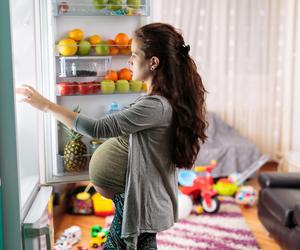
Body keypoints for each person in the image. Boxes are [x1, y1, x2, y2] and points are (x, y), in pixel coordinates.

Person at [16, 22, 207, 249]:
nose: (129, 61)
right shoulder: (160, 102)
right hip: (135, 201)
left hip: (137, 203)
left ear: (153, 62)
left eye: (134, 56)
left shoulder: (156, 106)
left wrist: (45, 105)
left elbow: (97, 129)